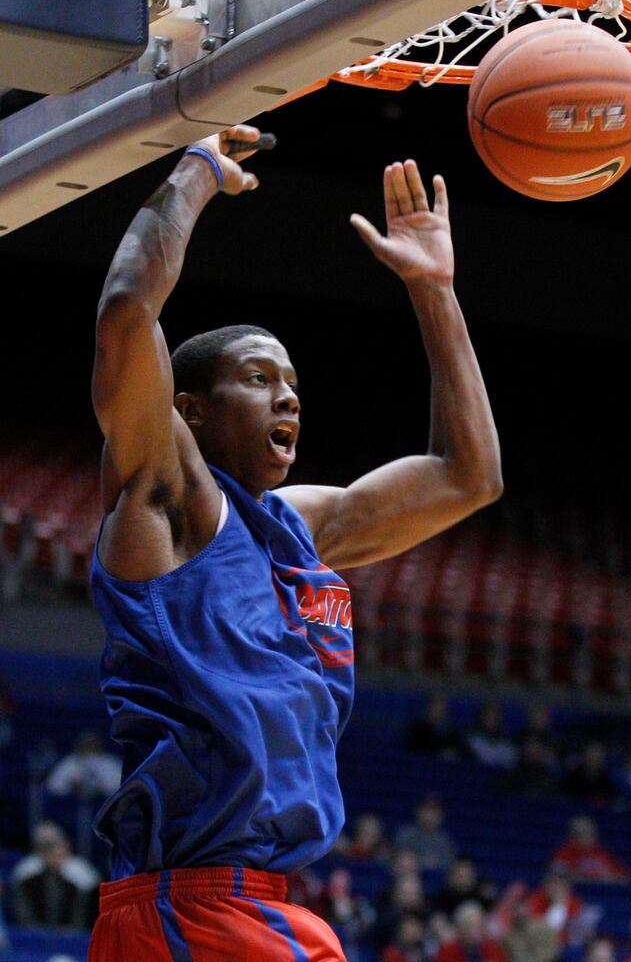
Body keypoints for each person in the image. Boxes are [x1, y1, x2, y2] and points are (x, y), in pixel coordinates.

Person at [86, 126, 503, 961]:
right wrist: (197, 170)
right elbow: (129, 311)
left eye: (292, 385)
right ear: (190, 410)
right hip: (192, 904)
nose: (287, 398)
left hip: (260, 906)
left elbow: (468, 476)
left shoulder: (298, 524)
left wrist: (434, 290)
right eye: (257, 378)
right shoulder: (165, 500)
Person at [10, 821, 100, 931]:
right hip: (35, 936)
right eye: (50, 852)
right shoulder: (28, 882)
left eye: (58, 853)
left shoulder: (74, 885)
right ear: (43, 854)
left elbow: (79, 918)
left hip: (68, 938)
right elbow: (24, 916)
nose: (54, 857)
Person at [550, 816, 630, 884]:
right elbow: (557, 875)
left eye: (592, 833)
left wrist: (611, 878)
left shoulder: (602, 853)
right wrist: (586, 877)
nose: (590, 837)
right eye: (584, 833)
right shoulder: (565, 853)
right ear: (573, 837)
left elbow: (624, 877)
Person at [44, 730, 122, 800]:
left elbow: (122, 788)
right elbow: (52, 787)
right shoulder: (68, 762)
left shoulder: (111, 762)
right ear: (79, 745)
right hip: (71, 810)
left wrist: (100, 788)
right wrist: (70, 787)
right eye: (86, 744)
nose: (90, 746)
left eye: (93, 743)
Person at [394, 793, 458, 871]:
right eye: (426, 809)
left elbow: (450, 864)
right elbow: (399, 857)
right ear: (418, 811)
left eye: (434, 811)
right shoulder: (405, 833)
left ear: (441, 816)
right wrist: (421, 861)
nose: (429, 815)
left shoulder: (446, 840)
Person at [435, 901, 508, 962]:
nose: (475, 931)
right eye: (469, 926)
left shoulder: (492, 948)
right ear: (459, 929)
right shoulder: (447, 951)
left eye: (479, 926)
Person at [405, 692, 464, 759]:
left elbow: (460, 750)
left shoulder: (451, 730)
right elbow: (415, 750)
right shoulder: (417, 727)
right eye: (435, 704)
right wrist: (438, 754)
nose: (439, 708)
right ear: (428, 706)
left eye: (442, 704)